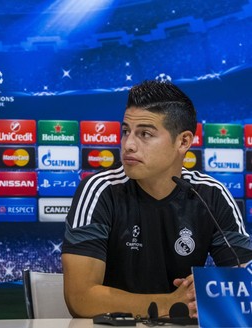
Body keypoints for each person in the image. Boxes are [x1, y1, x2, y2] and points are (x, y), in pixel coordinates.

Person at [61, 80, 252, 319]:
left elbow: (247, 284)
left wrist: (205, 290)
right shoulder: (100, 190)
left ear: (183, 141)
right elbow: (81, 299)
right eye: (125, 132)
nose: (128, 145)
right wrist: (170, 303)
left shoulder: (211, 195)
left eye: (145, 134)